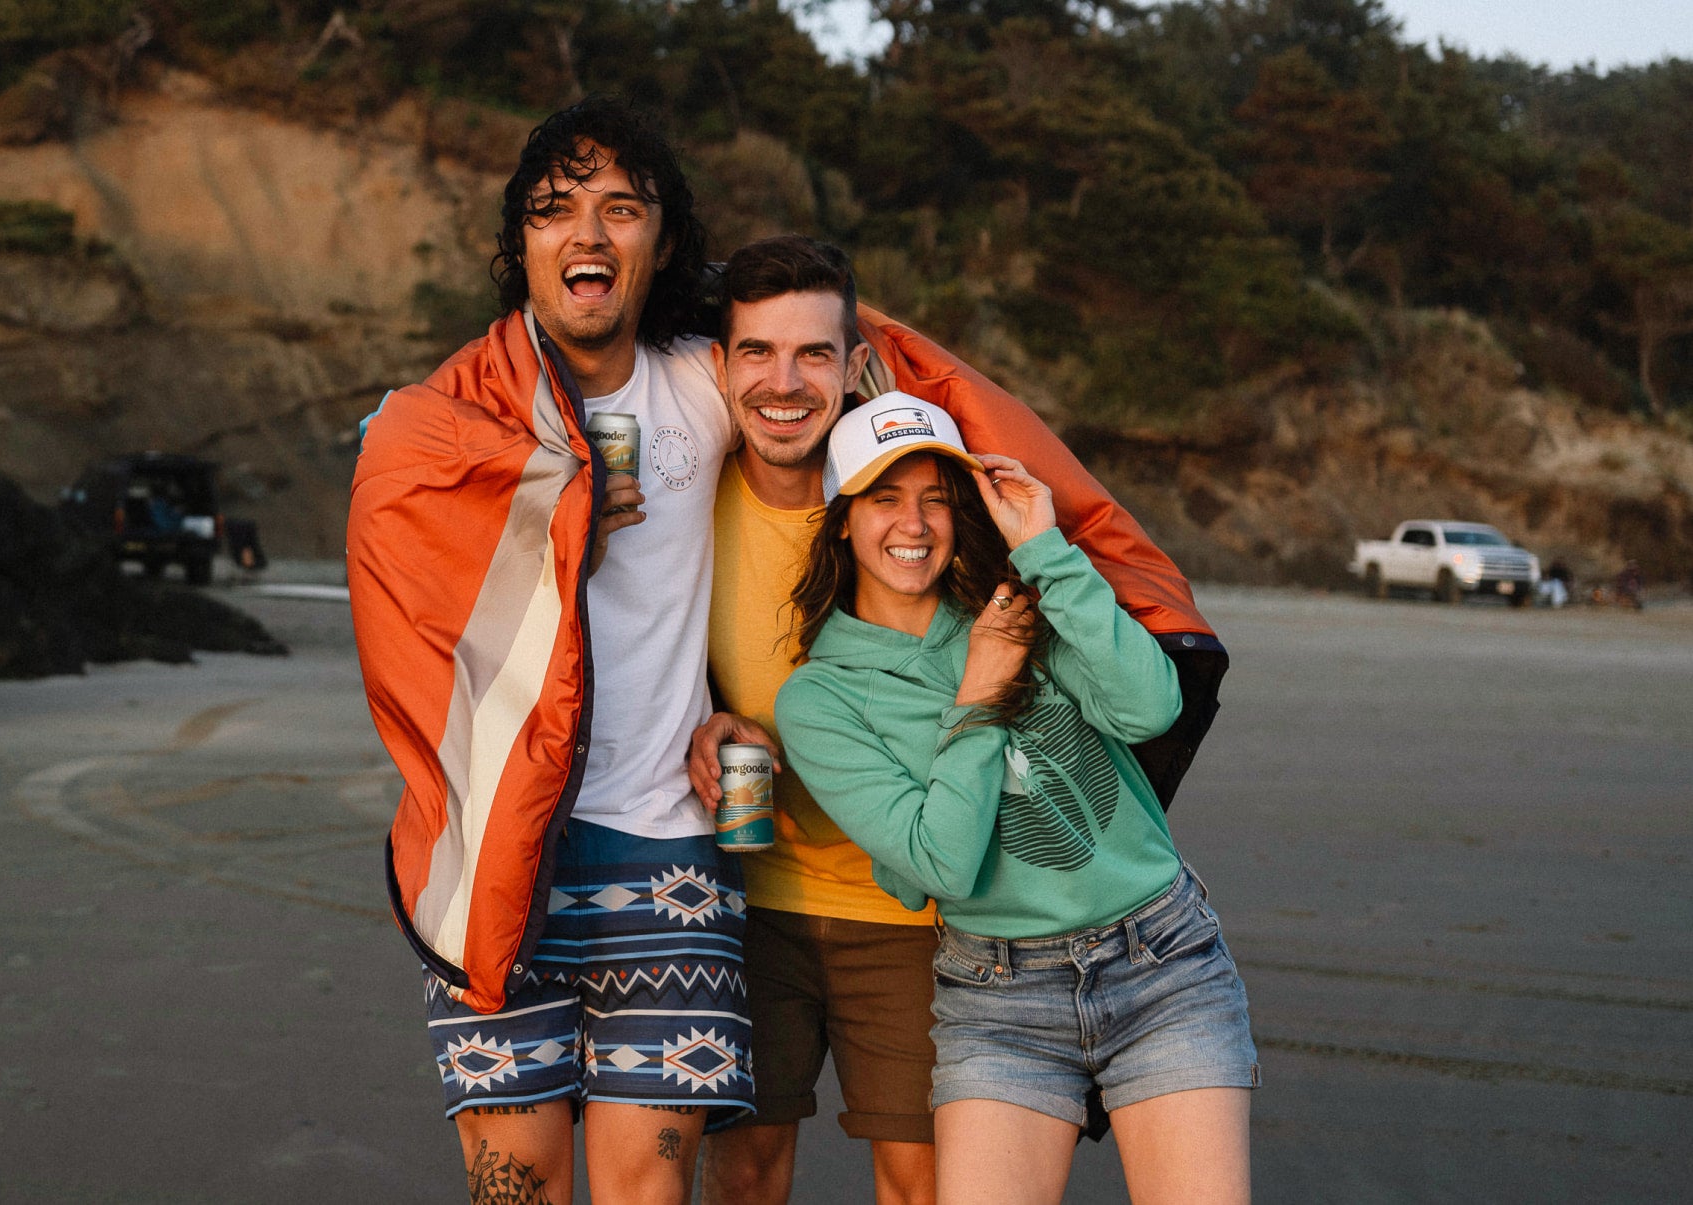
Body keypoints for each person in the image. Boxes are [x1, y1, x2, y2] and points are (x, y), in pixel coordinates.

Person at [686, 237, 1220, 1205]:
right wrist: (695, 719)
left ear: (851, 366)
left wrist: (1038, 559)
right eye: (756, 352)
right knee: (745, 1166)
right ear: (718, 366)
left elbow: (1138, 699)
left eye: (812, 353)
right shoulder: (688, 497)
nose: (783, 379)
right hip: (770, 893)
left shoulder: (981, 588)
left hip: (930, 919)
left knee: (919, 1176)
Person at [349, 96, 748, 1204]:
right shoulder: (449, 418)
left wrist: (755, 699)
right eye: (552, 210)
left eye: (622, 208)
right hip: (492, 863)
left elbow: (842, 506)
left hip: (668, 863)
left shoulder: (712, 384)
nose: (586, 233)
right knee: (510, 1194)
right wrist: (545, 510)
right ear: (517, 246)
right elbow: (389, 539)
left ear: (660, 243)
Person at [771, 410, 1258, 1205]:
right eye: (883, 498)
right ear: (842, 521)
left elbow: (1150, 707)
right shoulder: (820, 701)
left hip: (1162, 959)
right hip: (1000, 997)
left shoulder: (1023, 601)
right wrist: (982, 686)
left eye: (935, 498)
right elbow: (942, 861)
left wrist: (1044, 548)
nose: (914, 524)